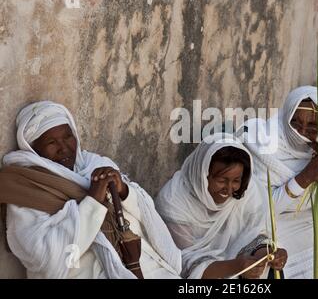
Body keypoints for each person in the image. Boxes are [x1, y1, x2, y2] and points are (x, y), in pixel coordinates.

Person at [0, 101, 182, 279]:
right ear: (33, 149)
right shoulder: (26, 189)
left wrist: (124, 191)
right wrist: (93, 202)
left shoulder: (93, 164)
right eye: (51, 142)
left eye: (67, 136)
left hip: (144, 265)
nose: (64, 148)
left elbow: (146, 213)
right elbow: (44, 258)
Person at [238, 86, 318, 279]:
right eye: (295, 123)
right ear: (286, 116)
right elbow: (259, 210)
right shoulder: (262, 141)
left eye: (311, 125)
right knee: (266, 246)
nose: (302, 131)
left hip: (307, 218)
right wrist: (304, 178)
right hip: (269, 222)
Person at [155, 133, 288, 279]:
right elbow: (184, 263)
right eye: (222, 180)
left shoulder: (248, 191)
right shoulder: (173, 201)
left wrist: (267, 254)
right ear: (203, 174)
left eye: (236, 180)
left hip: (238, 264)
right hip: (201, 276)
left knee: (270, 273)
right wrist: (235, 266)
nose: (229, 189)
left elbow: (255, 235)